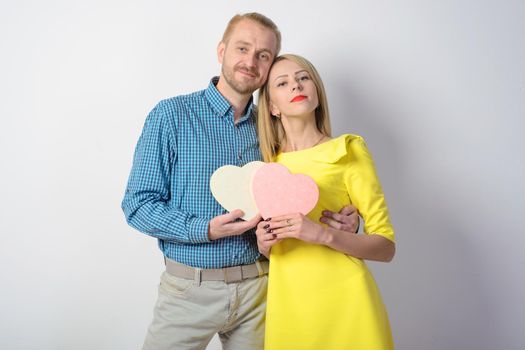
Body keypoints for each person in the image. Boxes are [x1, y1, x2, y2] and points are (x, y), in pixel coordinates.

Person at [121, 14, 359, 350]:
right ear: (221, 51)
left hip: (261, 291)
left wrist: (343, 216)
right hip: (189, 291)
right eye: (242, 48)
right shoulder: (171, 116)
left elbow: (305, 184)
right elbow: (138, 205)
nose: (250, 61)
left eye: (263, 55)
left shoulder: (274, 126)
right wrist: (206, 229)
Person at [256, 54, 396, 350]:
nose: (296, 85)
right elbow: (281, 252)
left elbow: (386, 247)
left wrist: (323, 234)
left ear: (316, 91)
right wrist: (264, 243)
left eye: (303, 77)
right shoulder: (266, 169)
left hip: (349, 305)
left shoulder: (347, 150)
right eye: (283, 83)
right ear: (272, 107)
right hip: (289, 309)